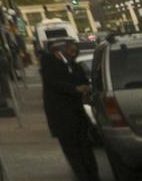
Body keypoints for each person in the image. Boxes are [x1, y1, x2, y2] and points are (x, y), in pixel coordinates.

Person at [40, 38, 99, 181]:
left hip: (78, 116)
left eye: (75, 50)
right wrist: (75, 89)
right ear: (59, 50)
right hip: (62, 118)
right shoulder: (50, 63)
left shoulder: (75, 66)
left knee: (86, 149)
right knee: (73, 152)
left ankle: (93, 176)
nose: (73, 53)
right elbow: (55, 83)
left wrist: (86, 90)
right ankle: (83, 176)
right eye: (70, 50)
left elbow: (83, 80)